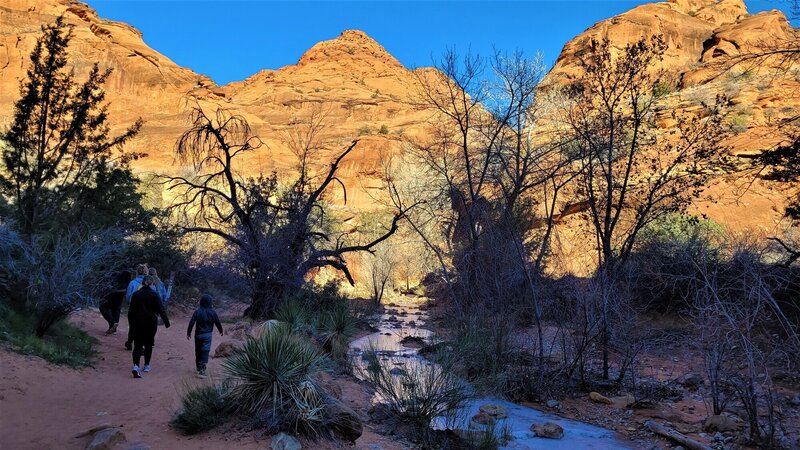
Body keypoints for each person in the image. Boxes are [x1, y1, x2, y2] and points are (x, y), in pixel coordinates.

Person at [129, 275, 170, 378]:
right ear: (152, 283)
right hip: (151, 322)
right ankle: (147, 365)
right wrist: (166, 322)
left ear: (142, 283)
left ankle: (136, 365)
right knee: (149, 343)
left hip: (138, 322)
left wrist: (131, 324)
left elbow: (131, 311)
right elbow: (161, 309)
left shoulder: (136, 294)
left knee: (138, 344)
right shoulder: (155, 294)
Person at [187, 293, 223, 378]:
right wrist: (220, 330)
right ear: (210, 302)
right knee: (205, 351)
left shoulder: (197, 312)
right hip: (207, 335)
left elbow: (191, 322)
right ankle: (202, 371)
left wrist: (188, 333)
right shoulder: (212, 312)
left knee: (198, 351)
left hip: (198, 335)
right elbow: (217, 322)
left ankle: (198, 368)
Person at [99, 270, 131, 334]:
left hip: (113, 292)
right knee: (116, 309)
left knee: (102, 307)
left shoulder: (113, 274)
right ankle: (114, 329)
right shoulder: (126, 274)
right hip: (122, 292)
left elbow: (107, 285)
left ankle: (112, 323)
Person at [124, 264, 148, 350]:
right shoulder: (149, 283)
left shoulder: (132, 283)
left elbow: (127, 297)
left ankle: (130, 342)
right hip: (146, 309)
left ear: (137, 272)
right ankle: (141, 346)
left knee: (133, 326)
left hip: (133, 308)